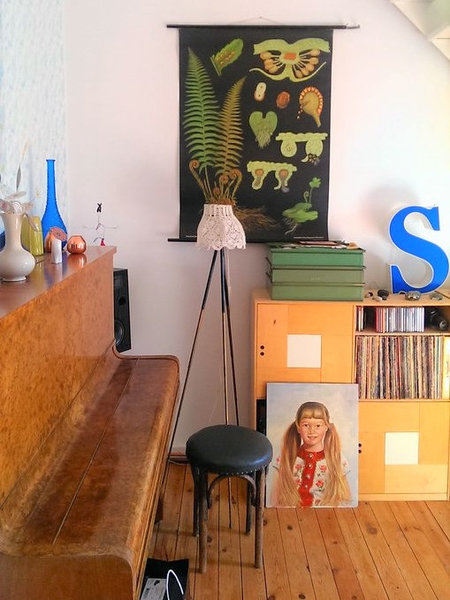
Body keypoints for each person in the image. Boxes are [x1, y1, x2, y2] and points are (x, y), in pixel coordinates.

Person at [271, 401, 351, 507]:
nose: (312, 431)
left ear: (326, 427)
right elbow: (274, 500)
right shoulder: (286, 459)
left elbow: (345, 499)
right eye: (306, 425)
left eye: (318, 425)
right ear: (298, 427)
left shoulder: (337, 459)